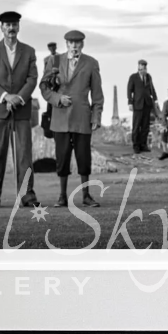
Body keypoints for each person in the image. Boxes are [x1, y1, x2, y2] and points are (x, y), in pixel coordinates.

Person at [0, 11, 40, 208]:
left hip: (21, 110)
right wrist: (6, 97)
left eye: (14, 24)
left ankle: (27, 196)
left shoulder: (29, 51)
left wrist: (19, 98)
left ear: (18, 27)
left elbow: (32, 79)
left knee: (24, 156)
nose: (11, 28)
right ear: (2, 28)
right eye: (7, 25)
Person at [40, 30, 104, 208]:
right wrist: (57, 99)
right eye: (71, 43)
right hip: (60, 118)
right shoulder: (55, 61)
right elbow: (44, 87)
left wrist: (96, 116)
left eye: (78, 43)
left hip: (82, 118)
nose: (74, 46)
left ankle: (86, 195)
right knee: (62, 158)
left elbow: (97, 94)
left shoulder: (91, 63)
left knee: (84, 157)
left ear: (82, 44)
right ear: (66, 44)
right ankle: (62, 196)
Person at [127, 59, 158, 154]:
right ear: (138, 68)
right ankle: (136, 146)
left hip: (147, 104)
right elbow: (129, 90)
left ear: (145, 68)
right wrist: (130, 102)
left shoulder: (148, 77)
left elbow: (152, 88)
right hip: (137, 105)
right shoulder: (133, 77)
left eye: (143, 69)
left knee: (145, 126)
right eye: (140, 69)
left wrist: (155, 99)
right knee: (136, 126)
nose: (141, 71)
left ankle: (143, 145)